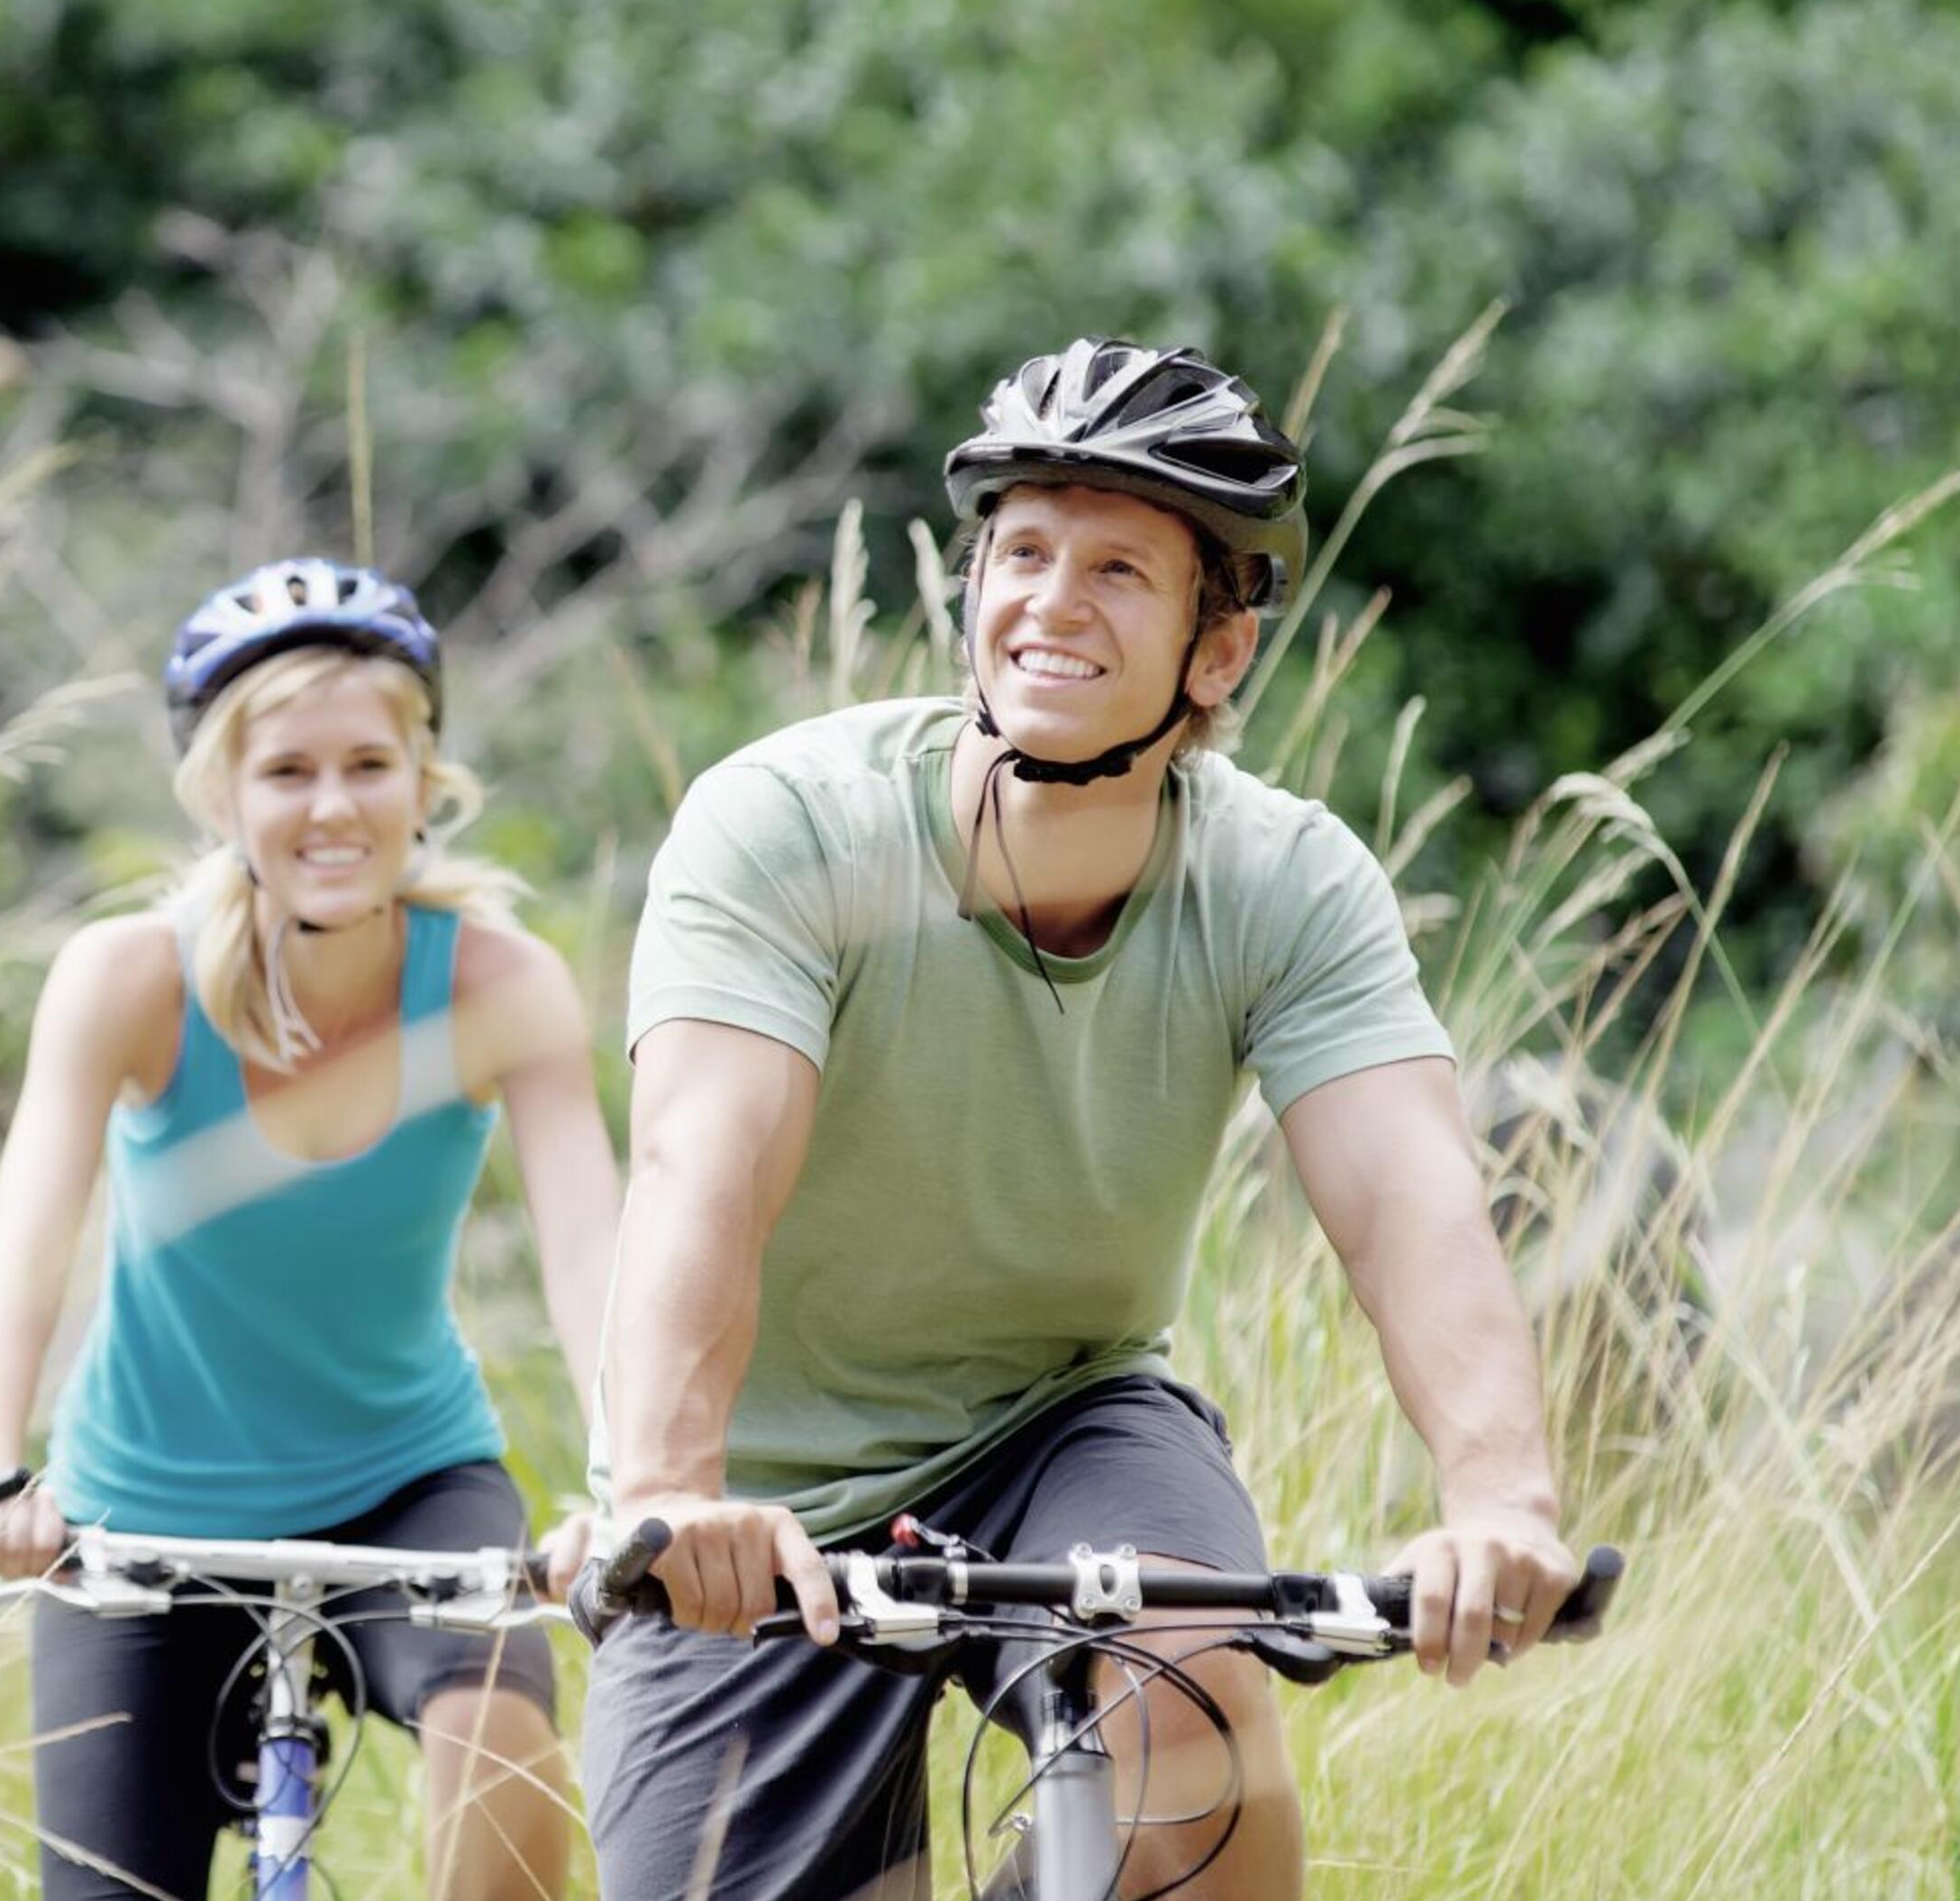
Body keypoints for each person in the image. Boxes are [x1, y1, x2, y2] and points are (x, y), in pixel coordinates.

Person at [580, 340, 1584, 1898]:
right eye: (1025, 551)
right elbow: (705, 1164)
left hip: (1064, 1417)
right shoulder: (789, 822)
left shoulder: (1284, 880)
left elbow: (1411, 1201)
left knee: (1196, 1696)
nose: (1052, 600)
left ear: (1219, 648)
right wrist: (665, 1489)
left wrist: (1500, 1501)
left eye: (1120, 567)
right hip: (758, 1491)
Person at [0, 560, 619, 1899]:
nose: (332, 805)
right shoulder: (126, 979)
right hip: (139, 1512)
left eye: (369, 763)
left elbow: (596, 1257)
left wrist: (629, 1487)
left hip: (406, 1484)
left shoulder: (501, 985)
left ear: (424, 779)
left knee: (507, 1758)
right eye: (287, 771)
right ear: (223, 798)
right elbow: (24, 1251)